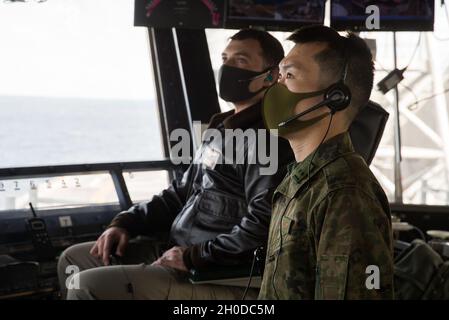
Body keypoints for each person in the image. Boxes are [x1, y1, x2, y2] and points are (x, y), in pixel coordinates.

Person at [57, 29, 294, 300]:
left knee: (86, 285)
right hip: (179, 248)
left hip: (216, 269)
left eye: (240, 61)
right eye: (225, 58)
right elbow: (180, 193)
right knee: (73, 260)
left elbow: (262, 226)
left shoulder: (269, 139)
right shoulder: (221, 127)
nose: (227, 67)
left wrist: (194, 257)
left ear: (271, 75)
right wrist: (125, 222)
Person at [258, 25, 394, 300]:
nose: (276, 86)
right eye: (279, 75)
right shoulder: (301, 178)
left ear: (335, 98)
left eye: (290, 75)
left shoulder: (343, 192)